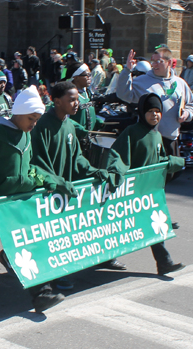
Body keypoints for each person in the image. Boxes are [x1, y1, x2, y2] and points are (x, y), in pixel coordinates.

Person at [0, 86, 76, 313]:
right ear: (18, 113)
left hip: (17, 204)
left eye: (37, 119)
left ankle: (42, 293)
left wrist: (47, 180)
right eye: (31, 118)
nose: (34, 124)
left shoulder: (26, 135)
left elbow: (28, 169)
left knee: (27, 246)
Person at [30, 81, 125, 276]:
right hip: (49, 190)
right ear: (56, 101)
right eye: (71, 100)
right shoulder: (42, 126)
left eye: (77, 100)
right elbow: (37, 161)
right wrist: (54, 181)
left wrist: (93, 170)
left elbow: (77, 158)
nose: (77, 104)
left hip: (66, 189)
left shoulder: (69, 124)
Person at [105, 93, 185, 275]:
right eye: (150, 111)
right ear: (142, 112)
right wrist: (116, 172)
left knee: (153, 224)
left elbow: (161, 161)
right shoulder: (132, 132)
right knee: (121, 225)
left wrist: (179, 163)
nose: (154, 115)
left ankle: (164, 262)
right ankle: (108, 257)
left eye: (157, 111)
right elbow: (118, 155)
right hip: (130, 190)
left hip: (147, 192)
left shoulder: (156, 135)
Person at [117, 48, 193, 165]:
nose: (154, 64)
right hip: (150, 138)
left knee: (172, 172)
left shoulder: (180, 83)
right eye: (153, 61)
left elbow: (190, 104)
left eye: (159, 61)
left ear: (168, 62)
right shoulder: (142, 81)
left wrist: (187, 114)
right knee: (153, 175)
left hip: (171, 138)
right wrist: (127, 70)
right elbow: (123, 94)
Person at [66, 62, 104, 145]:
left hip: (88, 140)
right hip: (74, 141)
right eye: (87, 75)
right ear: (76, 78)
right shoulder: (67, 94)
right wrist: (77, 128)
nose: (89, 78)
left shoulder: (87, 93)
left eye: (90, 75)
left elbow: (89, 113)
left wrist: (97, 121)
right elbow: (63, 117)